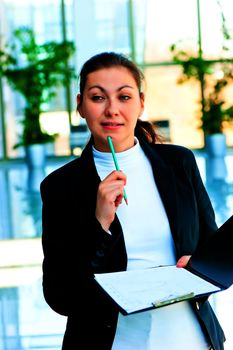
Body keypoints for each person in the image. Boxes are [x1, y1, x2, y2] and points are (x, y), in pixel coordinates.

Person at [40, 51, 225, 350]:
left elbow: (215, 252)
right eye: (98, 98)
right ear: (80, 106)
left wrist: (200, 270)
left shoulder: (179, 163)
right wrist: (99, 224)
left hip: (189, 338)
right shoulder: (61, 187)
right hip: (113, 342)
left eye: (124, 97)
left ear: (140, 102)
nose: (112, 109)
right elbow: (61, 296)